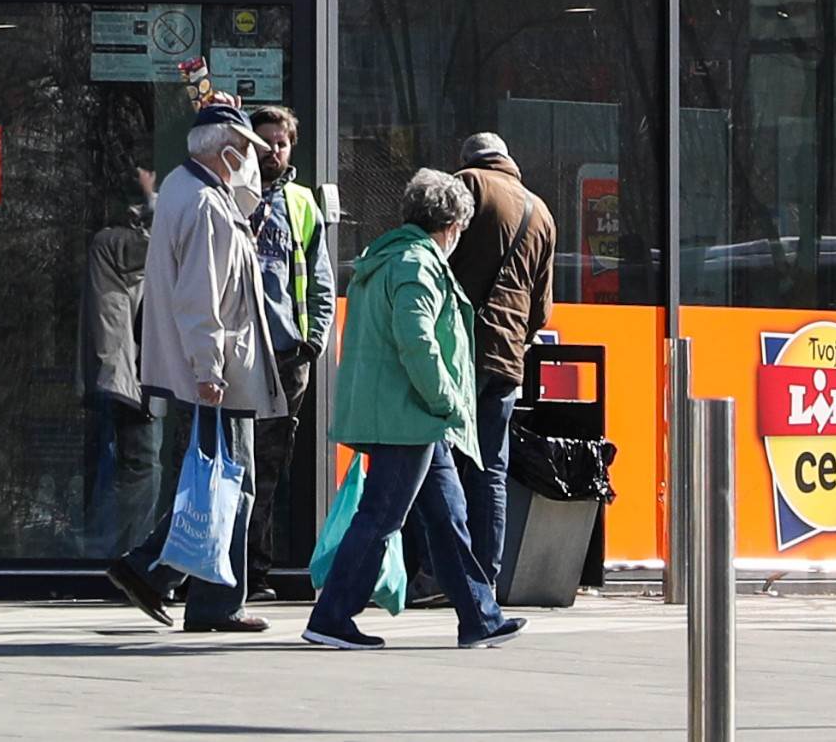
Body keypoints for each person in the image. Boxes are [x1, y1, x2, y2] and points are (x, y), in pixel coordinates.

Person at [302, 168, 527, 650]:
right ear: (450, 225)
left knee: (449, 517)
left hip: (412, 416)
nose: (459, 239)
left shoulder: (389, 258)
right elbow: (417, 342)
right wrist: (445, 397)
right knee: (381, 515)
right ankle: (333, 616)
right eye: (460, 230)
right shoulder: (415, 264)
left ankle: (479, 616)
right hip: (410, 414)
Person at [106, 105, 287, 633]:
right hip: (219, 369)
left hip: (209, 365)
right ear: (223, 147)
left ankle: (158, 576)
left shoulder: (190, 191)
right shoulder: (207, 203)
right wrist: (209, 366)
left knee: (215, 480)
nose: (253, 158)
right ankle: (189, 590)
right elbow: (200, 296)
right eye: (247, 148)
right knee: (233, 483)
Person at [448, 132, 556, 589]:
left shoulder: (468, 185)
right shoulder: (541, 212)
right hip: (508, 357)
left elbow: (439, 255)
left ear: (469, 160)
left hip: (460, 350)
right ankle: (484, 579)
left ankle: (439, 572)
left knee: (442, 459)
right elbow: (542, 309)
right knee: (492, 467)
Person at [245, 105, 335, 602]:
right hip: (237, 354)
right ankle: (209, 570)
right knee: (229, 464)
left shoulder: (301, 203)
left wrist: (313, 339)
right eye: (265, 143)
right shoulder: (230, 195)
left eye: (281, 143)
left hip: (285, 355)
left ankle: (255, 574)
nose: (273, 151)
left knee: (268, 467)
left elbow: (320, 278)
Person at [77, 166, 163, 557]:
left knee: (130, 464)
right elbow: (161, 244)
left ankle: (112, 546)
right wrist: (154, 199)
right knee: (142, 465)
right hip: (122, 375)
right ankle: (109, 547)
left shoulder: (111, 245)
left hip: (123, 373)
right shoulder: (111, 242)